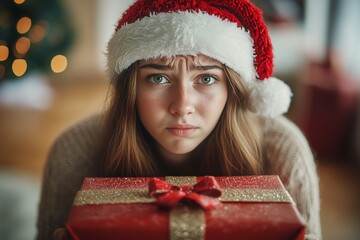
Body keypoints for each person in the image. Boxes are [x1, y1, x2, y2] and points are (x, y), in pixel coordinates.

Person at [36, 0, 321, 239]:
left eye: (206, 78)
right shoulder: (74, 151)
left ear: (232, 91)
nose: (182, 106)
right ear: (131, 89)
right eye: (158, 78)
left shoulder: (283, 151)